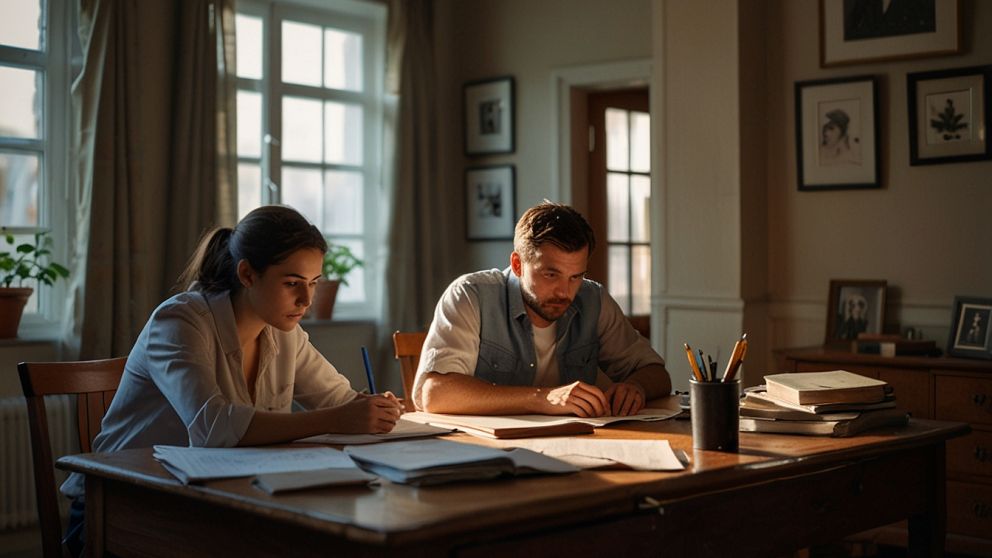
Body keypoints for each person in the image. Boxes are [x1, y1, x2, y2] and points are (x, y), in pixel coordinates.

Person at [60, 205, 402, 556]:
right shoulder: (180, 321)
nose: (307, 300)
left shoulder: (284, 331)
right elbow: (213, 429)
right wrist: (337, 418)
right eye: (292, 283)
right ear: (247, 274)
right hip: (119, 510)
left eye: (313, 283)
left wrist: (371, 407)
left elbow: (337, 399)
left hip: (212, 501)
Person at [412, 201, 672, 417]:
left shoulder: (594, 299)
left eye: (575, 276)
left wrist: (636, 386)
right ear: (517, 264)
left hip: (576, 448)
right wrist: (543, 398)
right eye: (551, 275)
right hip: (482, 451)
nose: (565, 292)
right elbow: (435, 394)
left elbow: (657, 374)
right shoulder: (471, 295)